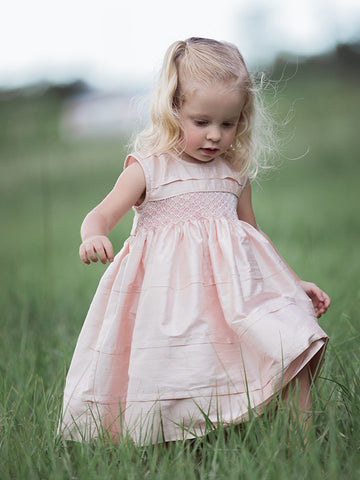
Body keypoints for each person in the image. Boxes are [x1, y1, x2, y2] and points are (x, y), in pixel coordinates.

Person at [59, 37, 330, 445]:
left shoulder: (233, 174)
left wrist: (293, 284)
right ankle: (173, 447)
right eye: (201, 122)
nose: (215, 136)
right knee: (175, 375)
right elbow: (101, 213)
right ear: (173, 109)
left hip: (230, 300)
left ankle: (304, 446)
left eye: (228, 123)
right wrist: (92, 235)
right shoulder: (148, 168)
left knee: (292, 338)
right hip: (165, 303)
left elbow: (255, 235)